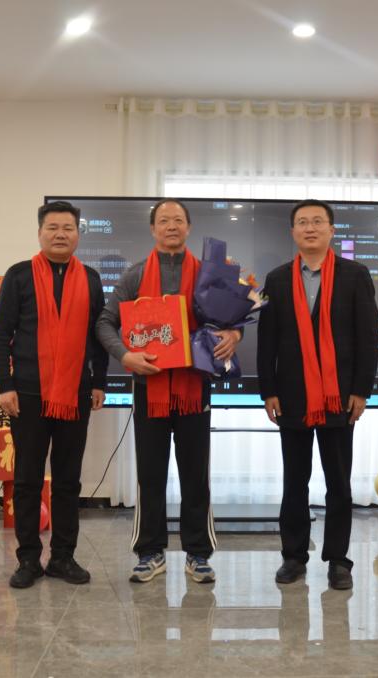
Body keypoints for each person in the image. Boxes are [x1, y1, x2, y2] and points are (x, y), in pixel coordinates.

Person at [96, 198, 241, 584]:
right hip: (150, 389)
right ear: (153, 229)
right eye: (164, 220)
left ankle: (198, 554)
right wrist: (126, 355)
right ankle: (150, 552)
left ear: (189, 227)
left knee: (196, 475)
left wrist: (234, 334)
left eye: (178, 220)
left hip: (195, 387)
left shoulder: (209, 274)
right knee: (150, 474)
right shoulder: (135, 275)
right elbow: (105, 322)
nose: (171, 226)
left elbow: (232, 319)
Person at [257, 199, 378, 590]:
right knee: (295, 482)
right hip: (291, 396)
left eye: (317, 221)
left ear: (331, 230)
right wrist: (268, 390)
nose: (310, 228)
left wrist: (361, 390)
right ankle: (293, 556)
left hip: (339, 397)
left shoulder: (355, 275)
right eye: (302, 222)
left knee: (339, 483)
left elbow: (369, 337)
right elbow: (267, 340)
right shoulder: (277, 279)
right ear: (293, 231)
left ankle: (339, 561)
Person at [0, 200, 108, 589]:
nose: (60, 234)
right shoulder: (19, 275)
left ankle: (62, 558)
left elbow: (99, 335)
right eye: (52, 228)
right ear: (40, 233)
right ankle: (28, 559)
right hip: (27, 394)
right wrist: (6, 386)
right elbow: (0, 335)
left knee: (68, 480)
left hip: (75, 394)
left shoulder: (90, 279)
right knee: (27, 479)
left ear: (78, 234)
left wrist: (99, 382)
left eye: (68, 228)